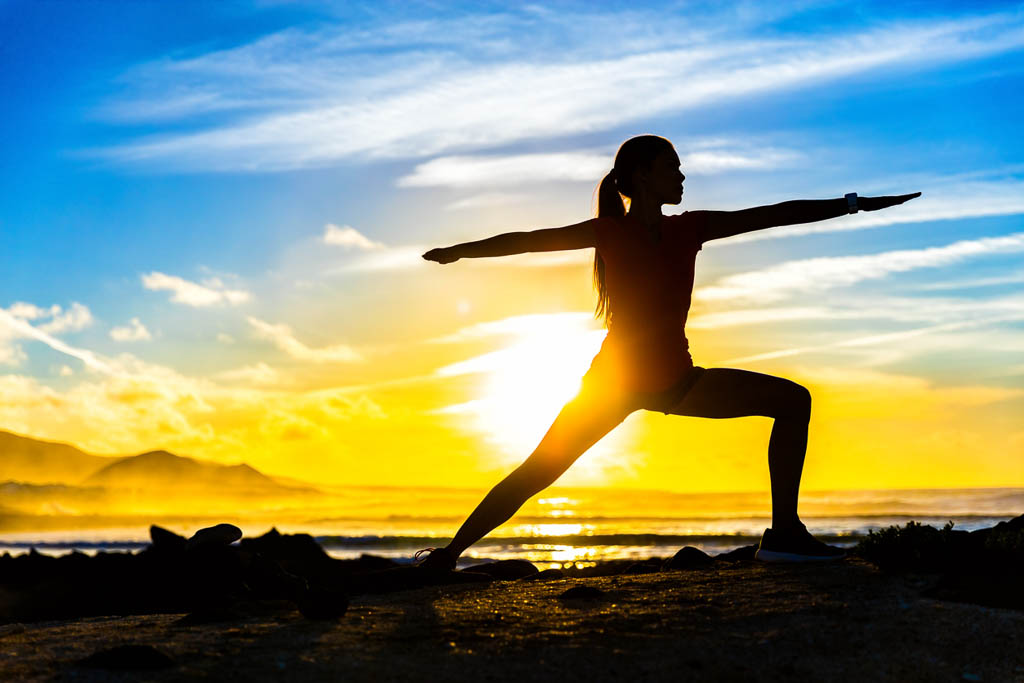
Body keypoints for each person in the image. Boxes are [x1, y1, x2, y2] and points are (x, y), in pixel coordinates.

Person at [420, 134, 920, 567]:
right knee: (539, 471)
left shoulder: (689, 228)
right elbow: (527, 241)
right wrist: (461, 251)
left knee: (793, 401)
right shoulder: (607, 232)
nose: (682, 176)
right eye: (671, 167)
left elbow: (772, 216)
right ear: (640, 175)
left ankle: (785, 535)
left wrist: (854, 203)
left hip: (677, 382)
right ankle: (447, 556)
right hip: (613, 385)